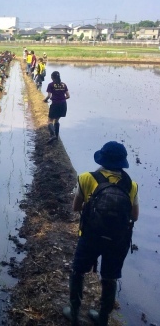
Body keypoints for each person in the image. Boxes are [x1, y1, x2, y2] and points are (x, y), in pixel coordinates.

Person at [63, 142, 139, 326]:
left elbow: (76, 208)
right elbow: (134, 217)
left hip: (90, 236)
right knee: (109, 277)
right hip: (117, 240)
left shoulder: (86, 178)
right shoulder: (132, 185)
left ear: (102, 160)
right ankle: (103, 318)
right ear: (122, 162)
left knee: (78, 271)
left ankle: (74, 312)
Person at [43, 71, 70, 143]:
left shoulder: (51, 85)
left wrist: (45, 100)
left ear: (52, 77)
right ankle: (57, 137)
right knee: (57, 120)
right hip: (63, 104)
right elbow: (68, 96)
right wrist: (62, 98)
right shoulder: (64, 85)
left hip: (55, 104)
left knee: (49, 121)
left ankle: (53, 135)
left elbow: (49, 96)